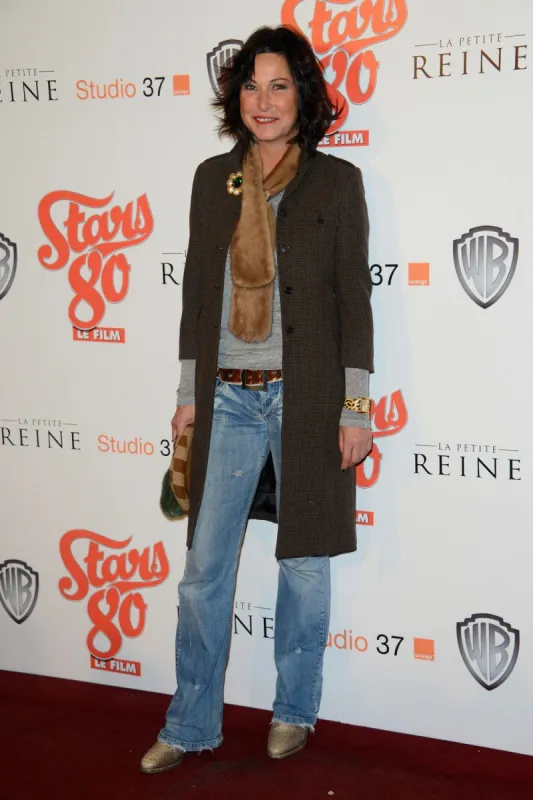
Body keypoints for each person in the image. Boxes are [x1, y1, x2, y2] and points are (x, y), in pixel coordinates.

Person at [141, 24, 374, 774]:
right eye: (251, 85)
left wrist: (355, 408)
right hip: (225, 398)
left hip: (306, 399)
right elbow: (195, 295)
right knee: (203, 571)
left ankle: (294, 710)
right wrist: (188, 395)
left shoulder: (336, 182)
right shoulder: (214, 179)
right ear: (235, 96)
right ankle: (189, 723)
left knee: (303, 565)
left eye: (279, 86)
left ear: (303, 96)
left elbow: (352, 301)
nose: (263, 101)